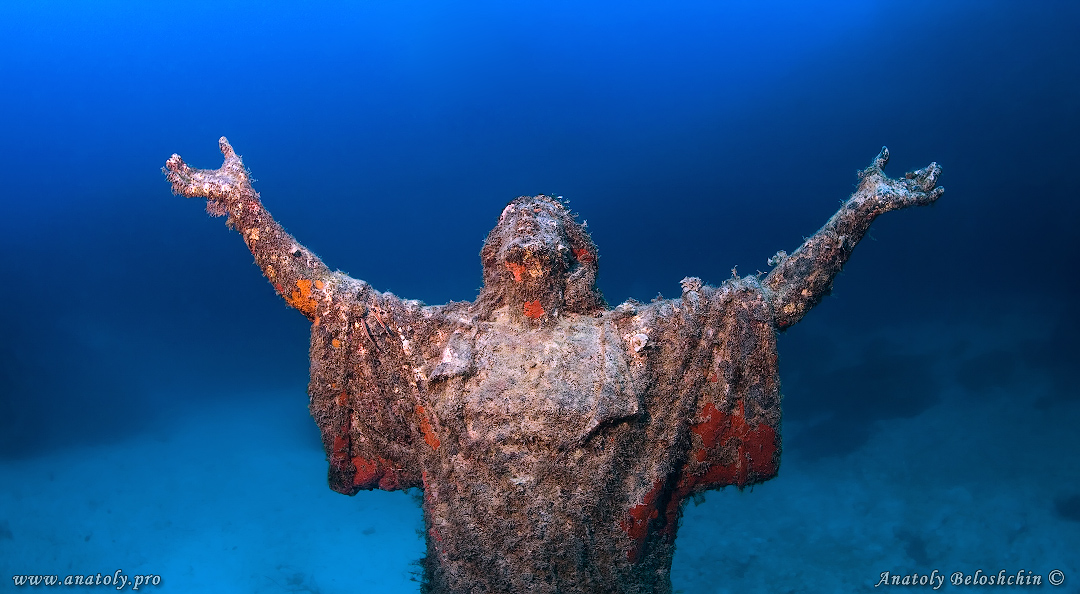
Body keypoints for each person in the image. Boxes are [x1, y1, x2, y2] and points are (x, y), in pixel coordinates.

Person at [165, 139, 942, 594]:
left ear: (577, 257)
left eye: (547, 225)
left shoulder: (641, 341)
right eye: (514, 224)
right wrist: (244, 209)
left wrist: (861, 208)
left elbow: (766, 304)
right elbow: (326, 297)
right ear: (494, 257)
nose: (529, 229)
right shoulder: (436, 339)